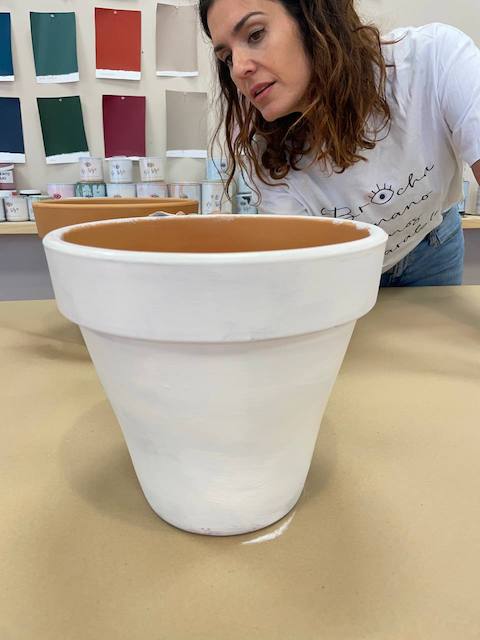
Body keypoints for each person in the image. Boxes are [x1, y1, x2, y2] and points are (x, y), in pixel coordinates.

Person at [198, 0, 480, 286]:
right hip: (345, 266)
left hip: (431, 245)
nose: (239, 69)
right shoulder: (260, 143)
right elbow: (301, 268)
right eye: (227, 57)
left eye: (255, 34)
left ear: (313, 17)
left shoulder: (434, 60)